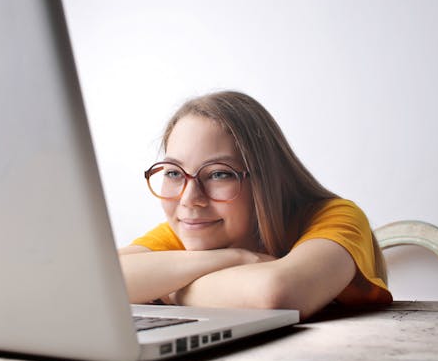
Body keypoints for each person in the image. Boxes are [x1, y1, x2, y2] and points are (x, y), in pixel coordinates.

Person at [118, 90, 392, 320]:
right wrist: (237, 258)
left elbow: (275, 293)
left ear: (266, 179)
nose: (189, 199)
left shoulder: (335, 216)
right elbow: (91, 277)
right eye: (174, 173)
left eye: (218, 174)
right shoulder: (192, 230)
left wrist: (163, 287)